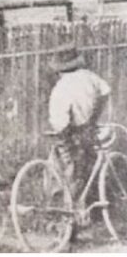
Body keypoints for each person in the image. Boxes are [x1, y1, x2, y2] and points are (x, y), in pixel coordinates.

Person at [47, 44, 111, 196]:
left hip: (71, 131)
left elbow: (59, 120)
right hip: (88, 128)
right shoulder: (89, 76)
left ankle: (66, 200)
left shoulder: (62, 87)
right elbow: (105, 91)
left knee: (68, 165)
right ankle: (91, 196)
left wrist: (64, 132)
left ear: (59, 69)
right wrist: (94, 116)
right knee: (87, 162)